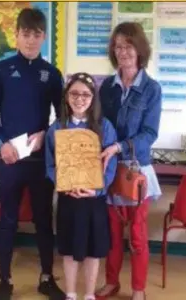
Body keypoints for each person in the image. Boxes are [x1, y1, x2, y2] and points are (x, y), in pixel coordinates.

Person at [0, 8, 65, 300]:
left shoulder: (52, 74)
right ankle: (4, 280)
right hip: (11, 160)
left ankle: (46, 277)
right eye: (25, 34)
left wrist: (47, 134)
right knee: (7, 220)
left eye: (36, 35)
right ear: (16, 35)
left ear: (43, 37)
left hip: (41, 161)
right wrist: (1, 143)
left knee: (44, 219)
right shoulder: (3, 70)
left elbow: (64, 116)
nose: (31, 40)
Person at [95, 22, 163, 300]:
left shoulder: (151, 89)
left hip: (136, 173)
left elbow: (149, 133)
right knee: (111, 236)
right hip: (109, 171)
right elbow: (97, 126)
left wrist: (118, 147)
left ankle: (138, 289)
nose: (123, 52)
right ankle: (112, 283)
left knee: (137, 236)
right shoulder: (106, 88)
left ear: (139, 49)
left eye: (128, 45)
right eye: (118, 46)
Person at [45, 72, 118, 300]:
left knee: (92, 252)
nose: (79, 99)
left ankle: (88, 294)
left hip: (93, 200)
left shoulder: (104, 127)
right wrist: (63, 184)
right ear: (66, 96)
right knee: (68, 250)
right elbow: (50, 164)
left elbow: (111, 164)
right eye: (74, 93)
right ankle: (71, 293)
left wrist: (97, 189)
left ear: (93, 98)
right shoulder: (56, 128)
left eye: (85, 94)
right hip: (68, 198)